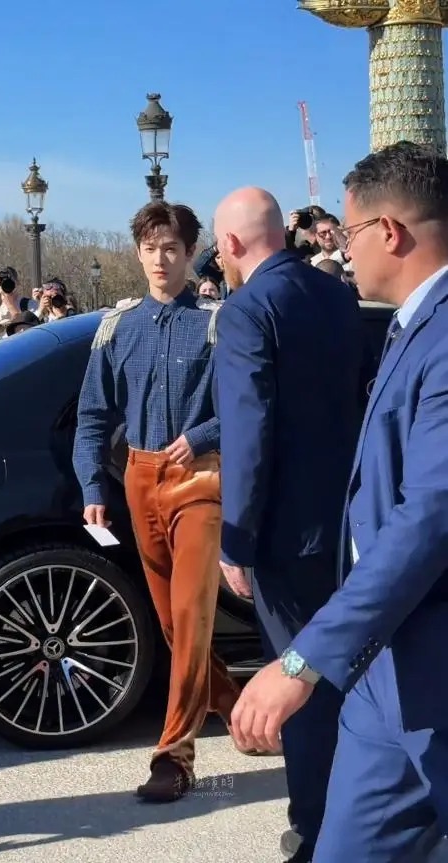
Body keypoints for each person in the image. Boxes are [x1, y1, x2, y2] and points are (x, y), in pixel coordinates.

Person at [230, 142, 448, 862]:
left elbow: (429, 517)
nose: (342, 250)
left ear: (389, 231)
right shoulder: (408, 322)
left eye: (349, 233)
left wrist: (302, 661)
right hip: (383, 672)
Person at [213, 187, 365, 863]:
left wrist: (236, 540)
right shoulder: (335, 294)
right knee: (347, 676)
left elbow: (248, 431)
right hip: (348, 518)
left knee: (299, 682)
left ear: (231, 244)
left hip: (285, 532)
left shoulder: (248, 309)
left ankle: (316, 829)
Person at [73, 201, 241, 803]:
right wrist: (94, 487)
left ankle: (174, 756)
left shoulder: (218, 324)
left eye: (172, 248)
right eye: (151, 248)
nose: (161, 259)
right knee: (172, 623)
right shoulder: (116, 328)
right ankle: (237, 707)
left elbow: (247, 405)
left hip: (199, 479)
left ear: (191, 253)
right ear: (138, 253)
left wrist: (203, 435)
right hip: (140, 479)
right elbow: (93, 416)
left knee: (192, 617)